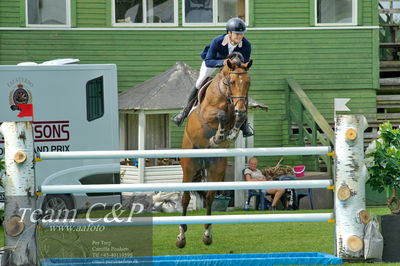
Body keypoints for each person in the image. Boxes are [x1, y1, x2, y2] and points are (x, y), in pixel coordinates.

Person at [172, 17, 254, 137]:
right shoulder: (217, 41)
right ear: (229, 33)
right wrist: (222, 62)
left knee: (240, 86)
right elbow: (208, 61)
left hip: (233, 68)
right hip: (214, 62)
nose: (240, 37)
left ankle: (244, 123)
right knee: (200, 82)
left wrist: (233, 68)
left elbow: (243, 65)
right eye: (237, 34)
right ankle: (184, 112)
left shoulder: (246, 45)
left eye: (241, 34)